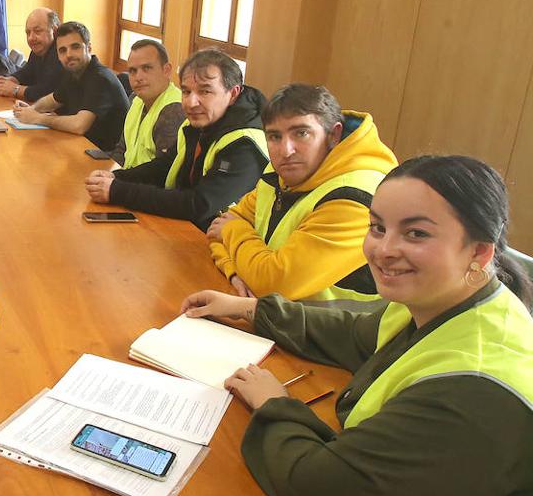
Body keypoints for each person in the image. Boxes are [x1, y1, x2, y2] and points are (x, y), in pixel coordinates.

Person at [179, 155, 533, 496]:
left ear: (480, 252)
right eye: (378, 227)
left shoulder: (478, 386)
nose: (384, 250)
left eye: (416, 234)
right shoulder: (460, 303)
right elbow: (360, 331)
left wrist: (274, 406)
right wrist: (251, 310)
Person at [207, 84, 397, 301]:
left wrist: (232, 230)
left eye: (302, 133)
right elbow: (216, 232)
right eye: (275, 136)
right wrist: (234, 273)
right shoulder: (282, 171)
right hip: (268, 314)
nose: (286, 151)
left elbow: (274, 286)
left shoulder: (354, 197)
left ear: (333, 135)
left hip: (326, 332)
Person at [85, 48, 267, 229]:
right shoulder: (199, 124)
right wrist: (116, 177)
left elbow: (198, 204)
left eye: (205, 92)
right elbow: (164, 166)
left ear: (233, 94)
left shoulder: (245, 143)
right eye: (186, 92)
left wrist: (117, 191)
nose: (191, 102)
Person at [12, 21, 129, 151]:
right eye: (62, 50)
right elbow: (52, 100)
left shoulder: (100, 77)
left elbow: (79, 125)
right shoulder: (73, 72)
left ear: (89, 48)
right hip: (83, 147)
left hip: (107, 157)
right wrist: (32, 109)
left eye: (75, 47)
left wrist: (38, 118)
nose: (68, 55)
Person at [108, 39, 184, 168]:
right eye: (132, 71)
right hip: (126, 181)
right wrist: (108, 175)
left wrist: (116, 182)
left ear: (166, 70)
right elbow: (122, 149)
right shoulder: (135, 99)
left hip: (143, 185)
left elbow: (162, 174)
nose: (138, 77)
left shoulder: (174, 110)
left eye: (146, 68)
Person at [0, 8, 64, 103]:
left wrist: (15, 89)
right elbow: (28, 71)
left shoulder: (63, 51)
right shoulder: (40, 49)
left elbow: (48, 92)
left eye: (37, 31)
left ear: (54, 30)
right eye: (28, 33)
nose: (31, 38)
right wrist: (9, 80)